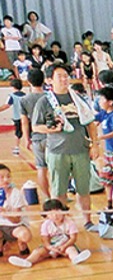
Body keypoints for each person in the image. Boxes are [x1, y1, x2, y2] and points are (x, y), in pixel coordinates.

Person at [30, 64, 98, 221]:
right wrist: (51, 130)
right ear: (49, 80)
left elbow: (91, 124)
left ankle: (87, 221)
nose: (64, 79)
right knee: (58, 190)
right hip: (57, 151)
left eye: (66, 75)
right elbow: (36, 126)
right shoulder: (44, 102)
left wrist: (94, 145)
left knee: (84, 189)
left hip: (81, 149)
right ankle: (60, 225)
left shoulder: (78, 99)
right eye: (59, 76)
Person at [9, 198, 91, 269]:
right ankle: (27, 261)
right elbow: (44, 240)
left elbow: (73, 238)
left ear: (63, 211)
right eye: (51, 213)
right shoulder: (46, 224)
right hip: (51, 246)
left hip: (65, 245)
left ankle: (75, 258)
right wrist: (50, 247)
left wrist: (64, 246)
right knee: (38, 252)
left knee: (71, 250)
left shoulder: (70, 223)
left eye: (57, 212)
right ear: (46, 215)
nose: (55, 215)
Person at [20, 68, 50, 201]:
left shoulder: (24, 100)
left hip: (37, 137)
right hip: (52, 136)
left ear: (28, 81)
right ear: (43, 80)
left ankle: (47, 197)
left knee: (41, 169)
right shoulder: (50, 97)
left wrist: (27, 139)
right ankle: (58, 197)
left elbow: (24, 122)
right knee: (56, 169)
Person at [0, 164, 32, 260]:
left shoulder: (16, 193)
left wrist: (5, 213)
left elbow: (16, 220)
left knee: (25, 235)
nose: (6, 180)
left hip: (15, 226)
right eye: (1, 177)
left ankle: (21, 244)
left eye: (8, 176)